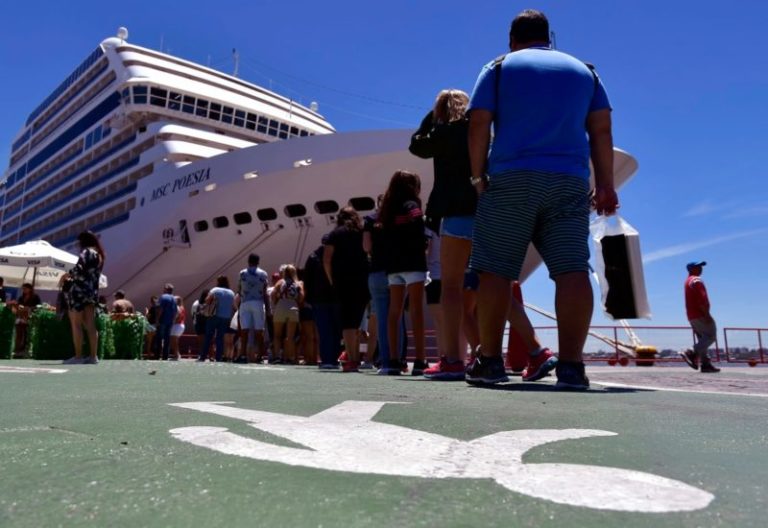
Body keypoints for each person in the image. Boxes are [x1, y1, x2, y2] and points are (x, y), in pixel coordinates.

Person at [466, 9, 616, 389]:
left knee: (496, 271)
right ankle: (571, 367)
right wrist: (606, 185)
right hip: (568, 181)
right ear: (549, 37)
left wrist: (478, 176)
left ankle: (489, 362)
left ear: (512, 39)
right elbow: (601, 130)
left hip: (511, 178)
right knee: (571, 270)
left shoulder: (499, 67)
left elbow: (479, 122)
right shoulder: (585, 72)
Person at [409, 89, 478, 380]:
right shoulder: (477, 127)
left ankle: (452, 359)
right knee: (488, 284)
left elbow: (416, 146)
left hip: (454, 211)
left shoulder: (442, 133)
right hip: (484, 209)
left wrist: (431, 117)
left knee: (450, 286)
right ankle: (499, 353)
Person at [379, 170, 429, 376]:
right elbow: (418, 224)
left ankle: (393, 359)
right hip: (413, 262)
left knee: (394, 312)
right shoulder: (411, 205)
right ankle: (419, 360)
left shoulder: (387, 210)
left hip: (393, 266)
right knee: (416, 310)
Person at [323, 206, 370, 372]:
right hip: (362, 281)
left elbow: (327, 259)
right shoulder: (362, 231)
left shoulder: (335, 234)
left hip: (343, 282)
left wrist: (332, 280)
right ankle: (356, 357)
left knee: (347, 324)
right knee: (357, 322)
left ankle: (351, 359)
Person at [62, 231, 105, 364]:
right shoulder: (99, 255)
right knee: (91, 325)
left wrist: (66, 275)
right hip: (91, 293)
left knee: (76, 324)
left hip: (79, 292)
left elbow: (79, 269)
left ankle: (78, 357)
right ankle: (93, 357)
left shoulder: (86, 252)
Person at [304, 236, 342, 369]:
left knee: (324, 330)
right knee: (336, 330)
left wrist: (308, 298)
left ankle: (327, 359)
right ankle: (334, 358)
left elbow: (306, 280)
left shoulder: (312, 257)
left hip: (318, 300)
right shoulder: (337, 256)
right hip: (335, 297)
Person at [681, 262, 721, 373]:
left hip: (691, 315)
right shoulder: (696, 280)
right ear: (691, 269)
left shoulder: (687, 281)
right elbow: (701, 299)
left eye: (700, 267)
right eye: (697, 267)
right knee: (710, 336)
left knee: (703, 339)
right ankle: (691, 352)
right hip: (700, 314)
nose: (700, 268)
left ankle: (706, 364)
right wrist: (706, 314)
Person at [237, 253, 270, 363]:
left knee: (244, 330)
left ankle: (242, 355)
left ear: (248, 261)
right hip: (258, 302)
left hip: (245, 302)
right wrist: (268, 308)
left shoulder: (242, 273)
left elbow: (239, 289)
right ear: (258, 262)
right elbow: (265, 292)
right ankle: (260, 355)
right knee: (259, 330)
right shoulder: (263, 274)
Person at [270, 264, 303, 364]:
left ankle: (277, 357)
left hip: (281, 306)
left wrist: (276, 302)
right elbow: (301, 297)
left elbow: (273, 294)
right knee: (290, 336)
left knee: (277, 335)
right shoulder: (298, 284)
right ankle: (290, 357)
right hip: (293, 307)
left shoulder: (280, 282)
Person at [199, 276, 236, 362]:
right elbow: (233, 305)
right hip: (226, 317)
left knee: (208, 336)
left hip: (214, 316)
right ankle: (218, 357)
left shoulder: (215, 290)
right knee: (220, 338)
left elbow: (207, 300)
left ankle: (203, 356)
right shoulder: (231, 292)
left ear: (218, 282)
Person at [13, 283, 42, 356]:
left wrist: (29, 308)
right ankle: (18, 349)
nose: (24, 290)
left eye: (25, 288)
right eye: (23, 289)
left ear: (30, 289)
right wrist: (19, 306)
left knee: (27, 333)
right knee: (19, 332)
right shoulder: (21, 297)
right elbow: (18, 305)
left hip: (30, 317)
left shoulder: (35, 297)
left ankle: (26, 349)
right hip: (21, 317)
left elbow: (38, 306)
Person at [154, 283, 177, 361]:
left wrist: (157, 319)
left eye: (164, 288)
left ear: (166, 289)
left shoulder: (163, 297)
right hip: (169, 321)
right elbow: (175, 311)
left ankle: (157, 355)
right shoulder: (174, 299)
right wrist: (173, 320)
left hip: (162, 320)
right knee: (167, 339)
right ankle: (165, 356)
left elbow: (161, 309)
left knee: (159, 338)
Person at [191, 289, 210, 360]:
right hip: (200, 323)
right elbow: (193, 313)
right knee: (202, 340)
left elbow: (192, 314)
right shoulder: (197, 303)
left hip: (203, 323)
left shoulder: (197, 303)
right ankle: (202, 354)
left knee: (208, 340)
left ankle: (208, 355)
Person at [170, 296, 186, 361]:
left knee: (174, 341)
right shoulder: (182, 307)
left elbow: (177, 315)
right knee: (175, 341)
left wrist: (173, 321)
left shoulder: (177, 307)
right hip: (181, 325)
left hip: (177, 325)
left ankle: (176, 355)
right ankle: (176, 354)